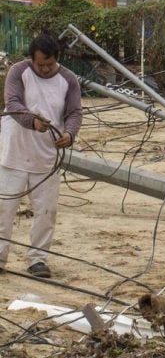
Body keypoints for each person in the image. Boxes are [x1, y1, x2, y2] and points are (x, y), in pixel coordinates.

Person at [0, 34, 82, 278]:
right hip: (13, 153)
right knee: (4, 209)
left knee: (46, 212)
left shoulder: (68, 79)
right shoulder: (18, 72)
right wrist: (32, 121)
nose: (45, 69)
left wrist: (69, 133)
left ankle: (38, 259)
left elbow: (74, 112)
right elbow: (13, 104)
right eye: (40, 65)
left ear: (57, 58)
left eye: (50, 64)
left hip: (47, 156)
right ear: (32, 59)